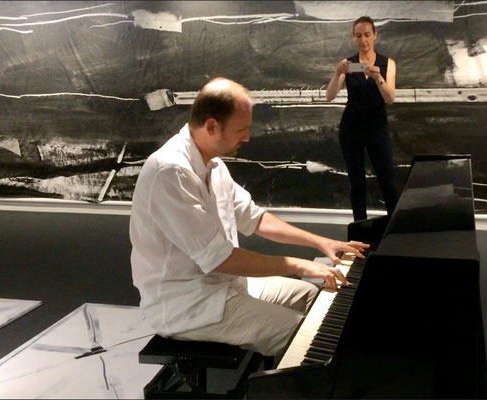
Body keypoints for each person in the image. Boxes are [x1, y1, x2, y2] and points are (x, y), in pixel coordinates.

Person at [129, 77, 369, 357]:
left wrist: (319, 242)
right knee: (306, 337)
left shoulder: (214, 166)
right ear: (211, 126)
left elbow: (255, 219)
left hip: (228, 286)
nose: (247, 137)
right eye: (241, 129)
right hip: (188, 303)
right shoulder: (169, 171)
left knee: (319, 301)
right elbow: (219, 259)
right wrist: (299, 266)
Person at [325, 15, 399, 221]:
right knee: (357, 183)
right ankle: (359, 234)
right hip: (352, 127)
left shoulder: (387, 63)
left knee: (388, 181)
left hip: (377, 126)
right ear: (353, 38)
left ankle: (395, 232)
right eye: (358, 36)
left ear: (374, 35)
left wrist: (379, 79)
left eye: (367, 35)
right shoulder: (349, 64)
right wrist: (336, 73)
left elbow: (390, 98)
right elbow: (330, 96)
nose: (363, 40)